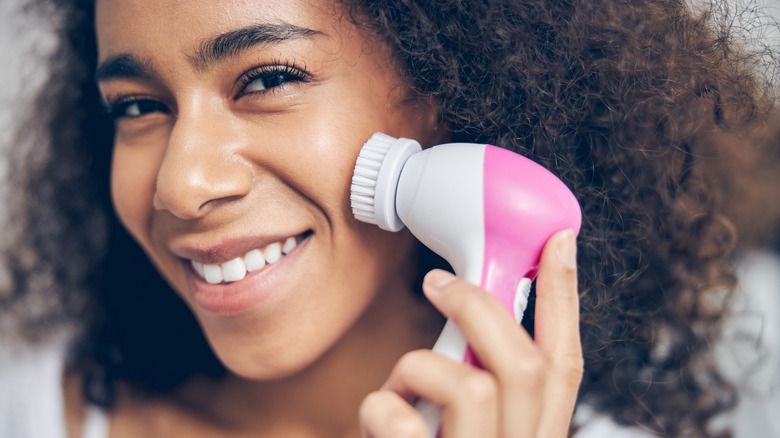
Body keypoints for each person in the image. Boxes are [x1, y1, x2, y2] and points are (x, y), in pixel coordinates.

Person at [0, 0, 777, 437]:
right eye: (136, 106)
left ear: (453, 91)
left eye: (268, 78)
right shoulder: (24, 404)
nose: (181, 184)